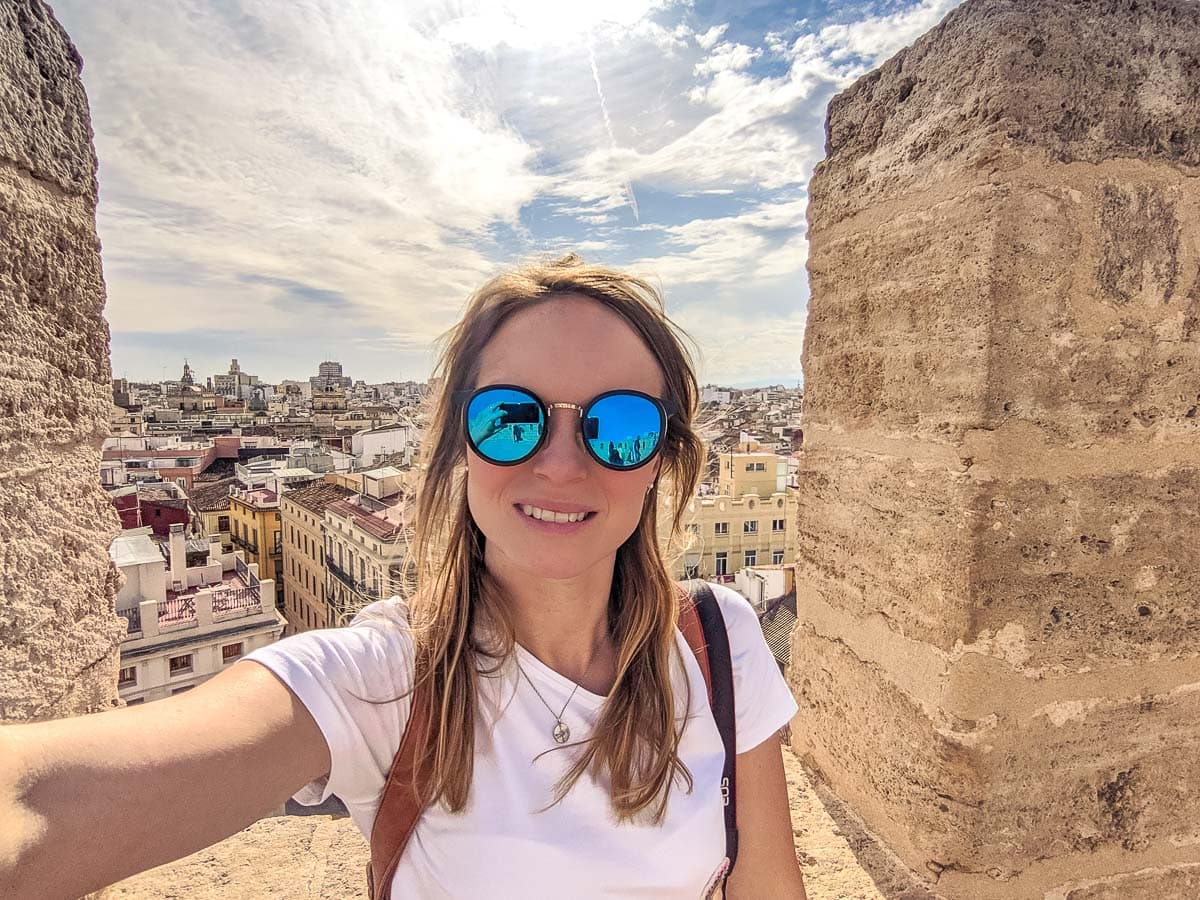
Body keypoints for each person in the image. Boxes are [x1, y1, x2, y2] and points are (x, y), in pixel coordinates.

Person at [0, 254, 807, 899]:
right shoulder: (383, 679)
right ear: (459, 444)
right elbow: (36, 803)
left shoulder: (718, 640)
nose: (562, 464)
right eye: (511, 418)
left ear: (663, 461)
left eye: (620, 427)